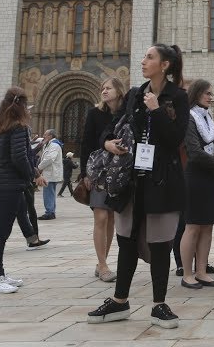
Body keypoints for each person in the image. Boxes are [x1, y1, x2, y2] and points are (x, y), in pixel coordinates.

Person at [87, 44, 189, 328]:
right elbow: (115, 124)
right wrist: (107, 141)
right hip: (131, 180)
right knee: (126, 241)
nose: (143, 61)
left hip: (162, 180)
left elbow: (174, 139)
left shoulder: (178, 97)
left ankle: (159, 304)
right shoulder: (134, 93)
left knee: (159, 244)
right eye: (144, 56)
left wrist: (156, 111)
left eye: (149, 57)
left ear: (165, 64)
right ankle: (120, 301)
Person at [0, 87, 37, 293]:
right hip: (9, 185)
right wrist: (31, 174)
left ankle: (0, 274)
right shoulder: (18, 127)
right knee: (0, 233)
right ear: (21, 105)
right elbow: (19, 156)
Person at [179, 79, 214, 289]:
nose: (211, 97)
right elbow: (194, 152)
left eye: (211, 93)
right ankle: (187, 273)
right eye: (207, 93)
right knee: (192, 226)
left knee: (207, 225)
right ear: (197, 93)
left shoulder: (207, 117)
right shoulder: (189, 118)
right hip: (195, 177)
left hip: (210, 176)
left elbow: (209, 145)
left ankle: (201, 271)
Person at [83, 77, 126, 282]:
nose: (104, 91)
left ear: (119, 90)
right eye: (102, 88)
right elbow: (86, 143)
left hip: (118, 173)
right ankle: (103, 264)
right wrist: (85, 174)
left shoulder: (125, 115)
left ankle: (102, 262)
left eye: (108, 88)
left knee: (110, 219)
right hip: (99, 172)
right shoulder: (94, 114)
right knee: (100, 217)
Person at [37, 129, 64, 219]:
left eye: (45, 134)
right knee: (50, 193)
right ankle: (51, 211)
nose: (43, 136)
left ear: (51, 136)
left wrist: (39, 168)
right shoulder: (49, 145)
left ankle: (49, 212)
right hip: (50, 173)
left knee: (48, 193)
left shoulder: (54, 145)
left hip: (51, 173)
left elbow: (49, 159)